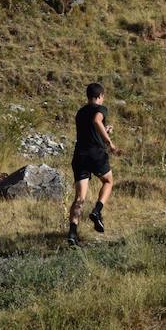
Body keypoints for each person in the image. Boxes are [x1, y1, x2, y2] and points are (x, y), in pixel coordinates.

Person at [68, 83, 121, 247]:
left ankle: (72, 233)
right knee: (108, 181)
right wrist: (109, 142)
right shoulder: (101, 109)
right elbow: (96, 121)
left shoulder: (80, 112)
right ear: (100, 96)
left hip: (79, 156)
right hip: (95, 154)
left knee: (79, 197)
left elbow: (91, 129)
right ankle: (97, 211)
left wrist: (106, 129)